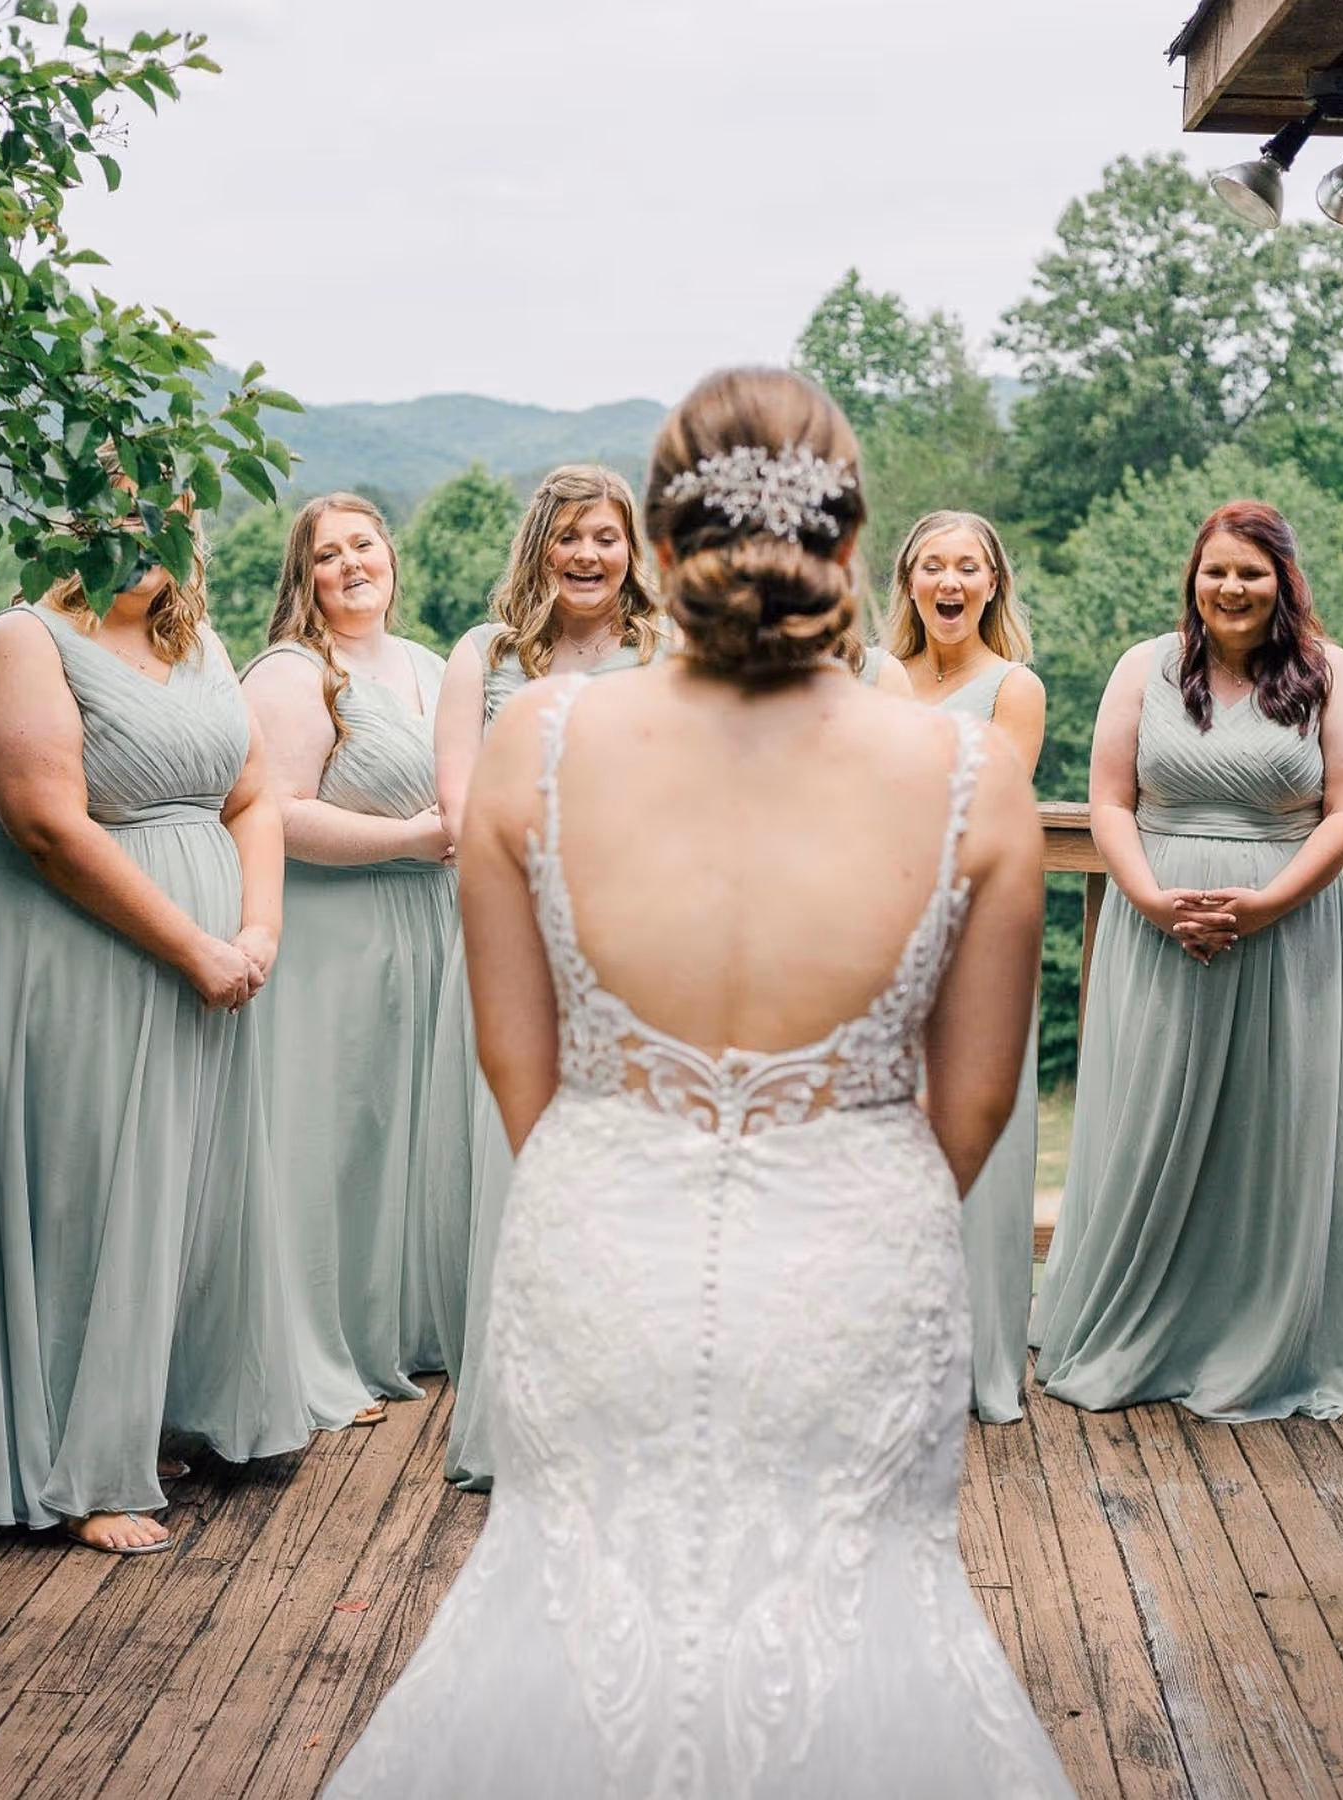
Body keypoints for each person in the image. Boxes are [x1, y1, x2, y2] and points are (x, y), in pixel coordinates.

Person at [328, 368, 1068, 1797]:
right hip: (859, 1255)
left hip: (602, 1240)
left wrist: (632, 1168)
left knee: (575, 1595)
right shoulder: (969, 776)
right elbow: (973, 1106)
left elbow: (515, 1057)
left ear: (661, 550)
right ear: (853, 549)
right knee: (859, 1605)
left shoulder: (541, 741)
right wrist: (839, 1184)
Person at [0, 489, 309, 1554]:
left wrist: (260, 926)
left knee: (174, 1190)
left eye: (168, 519)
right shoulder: (22, 642)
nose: (147, 542)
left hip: (212, 961)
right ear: (66, 533)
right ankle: (73, 1468)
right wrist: (192, 944)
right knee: (86, 1189)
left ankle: (132, 1419)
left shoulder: (199, 644)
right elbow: (46, 827)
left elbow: (250, 798)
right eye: (117, 521)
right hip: (80, 954)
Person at [1033, 501, 1343, 1418]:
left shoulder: (1330, 673)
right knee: (1150, 1123)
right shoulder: (1143, 667)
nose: (1231, 587)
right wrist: (1145, 896)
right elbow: (1108, 801)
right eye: (1216, 570)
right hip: (1157, 928)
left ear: (1283, 583)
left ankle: (1264, 1333)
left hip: (1289, 929)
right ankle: (1139, 1324)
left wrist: (1267, 903)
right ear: (1194, 578)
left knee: (1275, 1124)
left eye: (1251, 573)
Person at [424, 464, 663, 1490]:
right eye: (568, 537)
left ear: (632, 550)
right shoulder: (484, 656)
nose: (587, 556)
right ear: (539, 547)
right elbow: (458, 810)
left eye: (605, 537)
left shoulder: (671, 654)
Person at [243, 495, 456, 1430]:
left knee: (408, 1133)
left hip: (434, 929)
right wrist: (409, 838)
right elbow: (274, 814)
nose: (351, 565)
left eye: (364, 545)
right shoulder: (295, 673)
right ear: (306, 577)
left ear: (392, 557)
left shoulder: (432, 666)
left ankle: (397, 1330)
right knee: (331, 1133)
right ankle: (315, 1349)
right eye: (327, 555)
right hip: (338, 935)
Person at [888, 509, 1045, 1422]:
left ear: (992, 585)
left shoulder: (1011, 687)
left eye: (970, 568)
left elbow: (993, 809)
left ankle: (973, 1361)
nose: (952, 583)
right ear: (909, 580)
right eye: (934, 566)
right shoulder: (868, 677)